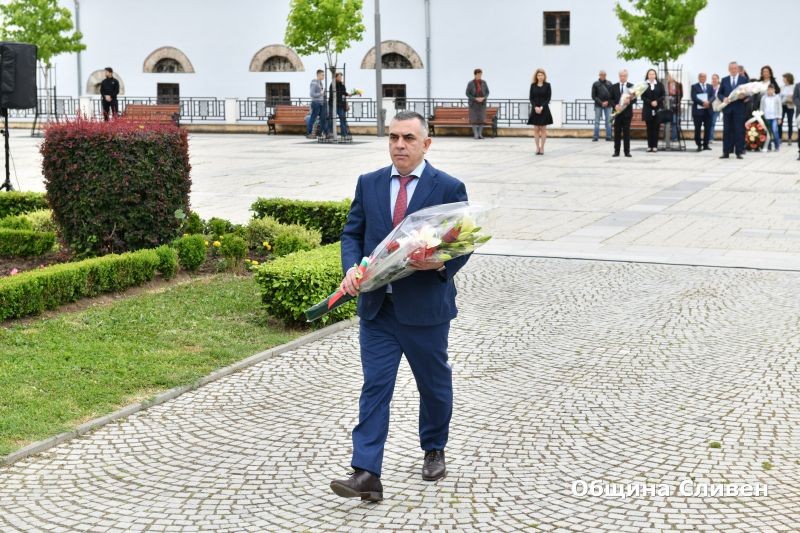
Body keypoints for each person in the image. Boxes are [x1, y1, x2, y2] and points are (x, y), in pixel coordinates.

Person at [330, 111, 471, 502]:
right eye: (393, 137)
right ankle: (366, 471)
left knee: (433, 385)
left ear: (426, 144)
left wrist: (440, 263)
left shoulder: (448, 187)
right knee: (375, 387)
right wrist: (351, 269)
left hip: (425, 310)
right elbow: (352, 234)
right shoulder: (369, 183)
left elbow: (463, 243)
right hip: (378, 309)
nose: (399, 145)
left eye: (408, 138)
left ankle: (434, 448)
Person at [717, 61, 749, 159]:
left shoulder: (744, 79)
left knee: (739, 130)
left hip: (739, 109)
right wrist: (723, 98)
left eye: (735, 68)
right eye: (731, 68)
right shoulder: (724, 80)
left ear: (737, 69)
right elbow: (719, 93)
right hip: (727, 109)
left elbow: (748, 93)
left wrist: (744, 96)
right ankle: (726, 152)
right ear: (729, 69)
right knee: (727, 131)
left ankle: (739, 152)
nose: (733, 70)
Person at [527, 68, 553, 155]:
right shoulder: (533, 85)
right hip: (535, 109)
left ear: (544, 76)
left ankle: (542, 148)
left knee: (543, 129)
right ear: (536, 76)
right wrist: (535, 107)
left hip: (544, 109)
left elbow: (548, 98)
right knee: (536, 130)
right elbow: (531, 98)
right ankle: (537, 147)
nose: (540, 76)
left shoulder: (548, 85)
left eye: (541, 75)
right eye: (538, 75)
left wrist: (541, 107)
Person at [610, 69, 635, 157]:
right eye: (621, 76)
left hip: (627, 114)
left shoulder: (631, 86)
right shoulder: (614, 86)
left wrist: (630, 101)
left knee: (626, 133)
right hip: (617, 113)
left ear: (627, 76)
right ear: (619, 76)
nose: (622, 77)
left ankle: (627, 152)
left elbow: (635, 99)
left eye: (624, 76)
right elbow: (610, 99)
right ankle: (616, 151)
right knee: (617, 133)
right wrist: (615, 105)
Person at [641, 68, 664, 152]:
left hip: (657, 109)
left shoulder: (660, 84)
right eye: (650, 74)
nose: (651, 75)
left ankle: (655, 146)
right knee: (649, 128)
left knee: (656, 128)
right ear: (647, 75)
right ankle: (649, 146)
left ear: (655, 75)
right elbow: (642, 97)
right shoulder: (644, 84)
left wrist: (656, 101)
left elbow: (663, 95)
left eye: (653, 74)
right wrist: (650, 102)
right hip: (648, 109)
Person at [690, 72, 714, 151]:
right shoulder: (694, 86)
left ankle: (706, 145)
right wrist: (703, 103)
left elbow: (713, 96)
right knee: (698, 128)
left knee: (708, 128)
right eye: (701, 77)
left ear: (706, 78)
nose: (703, 78)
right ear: (699, 78)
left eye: (704, 77)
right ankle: (699, 145)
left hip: (708, 111)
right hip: (698, 112)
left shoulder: (710, 86)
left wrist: (709, 102)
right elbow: (694, 97)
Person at [466, 69, 489, 139]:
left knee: (482, 119)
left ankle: (480, 134)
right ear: (475, 75)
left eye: (481, 74)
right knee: (474, 120)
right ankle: (476, 134)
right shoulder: (470, 83)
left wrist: (484, 98)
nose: (480, 76)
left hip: (482, 104)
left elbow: (488, 92)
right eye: (478, 74)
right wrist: (475, 98)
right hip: (473, 104)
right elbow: (467, 93)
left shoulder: (484, 82)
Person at [307, 69, 329, 139]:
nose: (323, 76)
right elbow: (312, 94)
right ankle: (309, 133)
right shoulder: (314, 82)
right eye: (322, 75)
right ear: (318, 75)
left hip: (322, 103)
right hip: (316, 103)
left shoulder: (320, 82)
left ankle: (323, 133)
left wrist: (324, 96)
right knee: (313, 118)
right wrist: (321, 93)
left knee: (323, 118)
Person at [591, 70, 613, 142]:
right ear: (599, 75)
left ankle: (609, 136)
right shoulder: (595, 84)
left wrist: (607, 102)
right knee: (597, 121)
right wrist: (601, 103)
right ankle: (595, 137)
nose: (603, 76)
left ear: (606, 75)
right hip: (598, 105)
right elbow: (593, 96)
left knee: (608, 121)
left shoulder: (610, 83)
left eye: (604, 75)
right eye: (602, 75)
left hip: (608, 105)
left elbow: (612, 95)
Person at [760, 84, 782, 151]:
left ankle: (777, 146)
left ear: (774, 90)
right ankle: (768, 146)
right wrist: (761, 116)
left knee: (775, 131)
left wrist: (779, 117)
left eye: (771, 89)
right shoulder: (764, 98)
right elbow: (761, 107)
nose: (770, 91)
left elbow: (780, 108)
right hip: (766, 117)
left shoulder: (777, 97)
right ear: (767, 90)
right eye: (769, 89)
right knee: (768, 132)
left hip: (774, 117)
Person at [329, 72, 350, 138]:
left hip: (340, 105)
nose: (341, 78)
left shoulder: (341, 84)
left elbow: (343, 92)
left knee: (343, 119)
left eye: (341, 77)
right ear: (336, 77)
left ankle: (344, 134)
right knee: (331, 119)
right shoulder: (333, 84)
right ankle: (330, 133)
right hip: (333, 105)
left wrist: (348, 94)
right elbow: (334, 94)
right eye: (339, 77)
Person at [667, 74, 684, 141]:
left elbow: (681, 95)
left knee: (676, 122)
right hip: (668, 106)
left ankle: (675, 137)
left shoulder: (679, 84)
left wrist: (675, 98)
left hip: (676, 106)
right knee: (671, 123)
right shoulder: (666, 84)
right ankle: (674, 137)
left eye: (669, 76)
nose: (668, 77)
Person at [780, 73, 794, 142]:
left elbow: (793, 96)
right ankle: (780, 137)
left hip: (790, 106)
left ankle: (790, 138)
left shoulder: (793, 87)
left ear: (788, 78)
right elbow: (780, 96)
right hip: (782, 106)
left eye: (784, 78)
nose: (783, 79)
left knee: (790, 123)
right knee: (780, 122)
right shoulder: (782, 87)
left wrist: (787, 98)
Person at [709, 73, 721, 143]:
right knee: (708, 123)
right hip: (709, 108)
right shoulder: (709, 87)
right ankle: (708, 138)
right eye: (713, 78)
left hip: (716, 108)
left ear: (718, 80)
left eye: (715, 79)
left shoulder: (720, 88)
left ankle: (711, 139)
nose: (714, 80)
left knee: (712, 123)